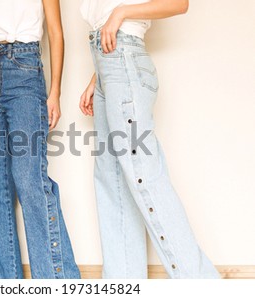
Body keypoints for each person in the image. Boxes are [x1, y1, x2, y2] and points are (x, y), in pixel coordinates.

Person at [79, 0, 220, 279]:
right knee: (113, 181)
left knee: (143, 175)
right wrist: (99, 77)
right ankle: (123, 284)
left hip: (123, 61)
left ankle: (201, 284)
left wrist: (121, 13)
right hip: (110, 64)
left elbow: (179, 4)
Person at [0, 0, 80, 279]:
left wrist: (55, 91)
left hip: (24, 68)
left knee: (29, 178)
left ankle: (56, 283)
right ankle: (3, 283)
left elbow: (56, 32)